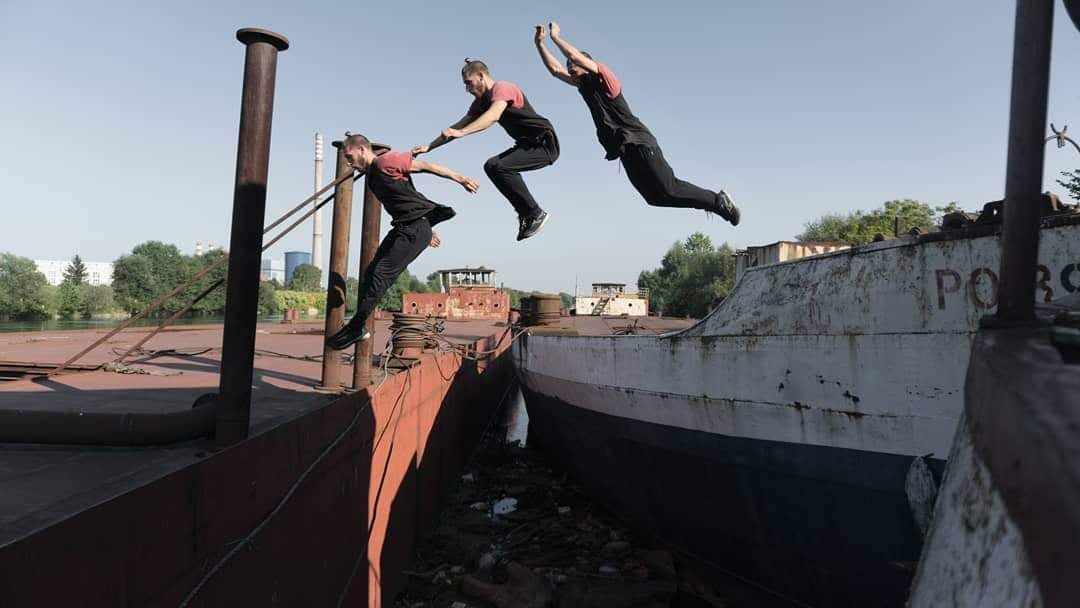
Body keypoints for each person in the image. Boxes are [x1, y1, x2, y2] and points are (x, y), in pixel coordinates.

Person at [533, 22, 740, 225]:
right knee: (654, 198)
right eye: (569, 66)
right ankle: (714, 204)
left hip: (640, 142)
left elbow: (574, 55)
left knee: (670, 187)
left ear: (587, 65)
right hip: (625, 151)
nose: (569, 68)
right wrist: (540, 44)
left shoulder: (606, 78)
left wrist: (556, 37)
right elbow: (555, 70)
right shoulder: (583, 86)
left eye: (573, 65)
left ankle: (716, 201)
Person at [326, 133, 479, 350]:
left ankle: (356, 328)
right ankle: (358, 328)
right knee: (370, 273)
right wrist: (427, 227)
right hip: (408, 227)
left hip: (414, 229)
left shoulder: (385, 161)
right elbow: (407, 198)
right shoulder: (372, 175)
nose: (349, 163)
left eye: (350, 156)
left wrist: (460, 178)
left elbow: (426, 165)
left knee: (380, 275)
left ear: (362, 149)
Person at [412, 59, 558, 241]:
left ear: (481, 76)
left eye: (469, 83)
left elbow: (493, 116)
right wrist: (430, 146)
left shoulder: (503, 88)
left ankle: (534, 213)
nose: (468, 89)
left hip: (544, 143)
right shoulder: (480, 103)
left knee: (498, 166)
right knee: (492, 166)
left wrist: (462, 132)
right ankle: (527, 213)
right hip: (526, 145)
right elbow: (456, 127)